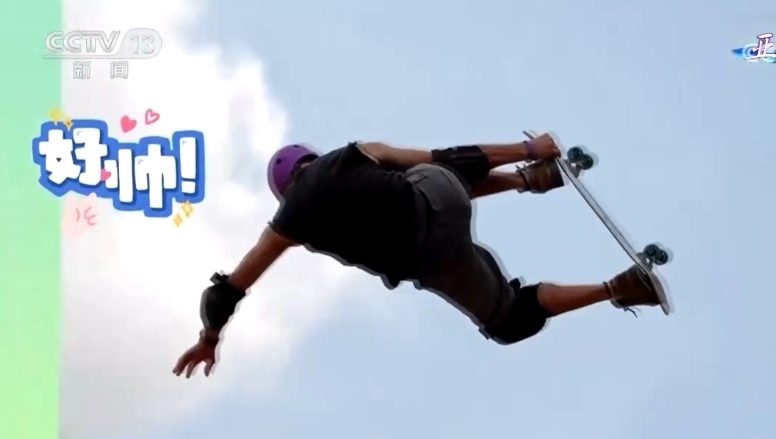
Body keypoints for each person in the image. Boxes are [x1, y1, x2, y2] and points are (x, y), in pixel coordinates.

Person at [173, 134, 668, 378]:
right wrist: (529, 147)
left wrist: (209, 339)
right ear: (310, 159)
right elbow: (447, 160)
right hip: (437, 194)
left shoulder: (286, 224)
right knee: (435, 173)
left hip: (433, 259)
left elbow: (224, 293)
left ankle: (622, 288)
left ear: (284, 191)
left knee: (510, 319)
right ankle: (530, 175)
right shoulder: (354, 151)